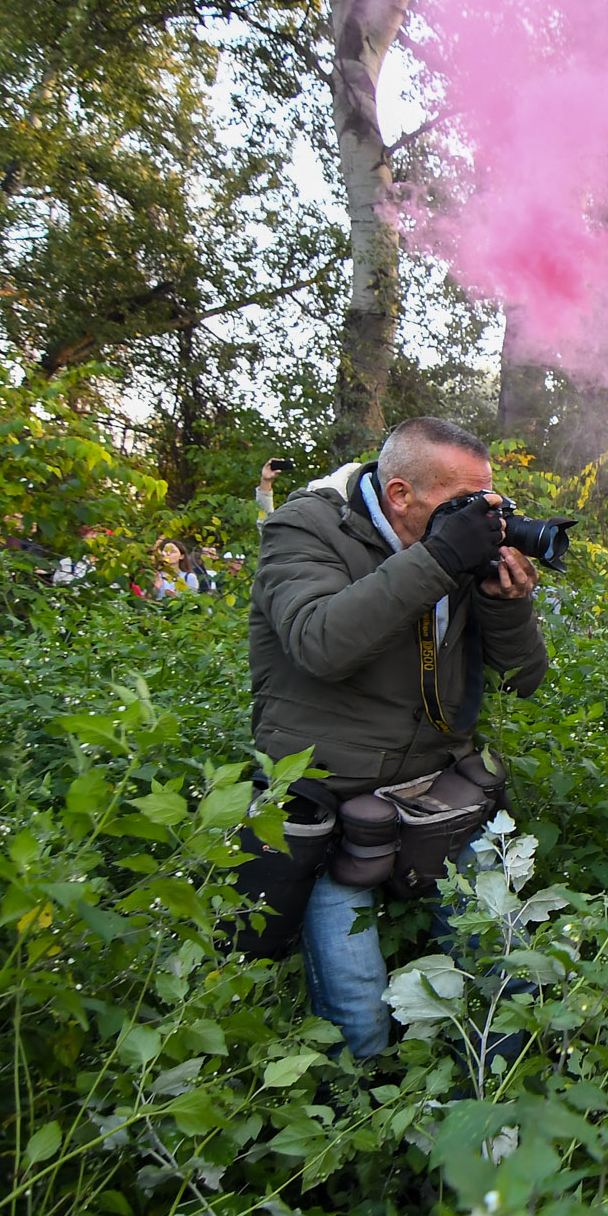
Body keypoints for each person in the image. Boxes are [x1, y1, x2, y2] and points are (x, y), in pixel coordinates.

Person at [249, 416, 549, 1057]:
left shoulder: (454, 542)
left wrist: (505, 603)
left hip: (436, 792)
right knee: (357, 1016)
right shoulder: (305, 528)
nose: (481, 522)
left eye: (486, 503)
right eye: (462, 506)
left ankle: (502, 1112)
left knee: (507, 973)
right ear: (400, 495)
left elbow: (524, 676)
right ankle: (357, 1131)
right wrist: (439, 558)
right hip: (330, 797)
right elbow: (319, 643)